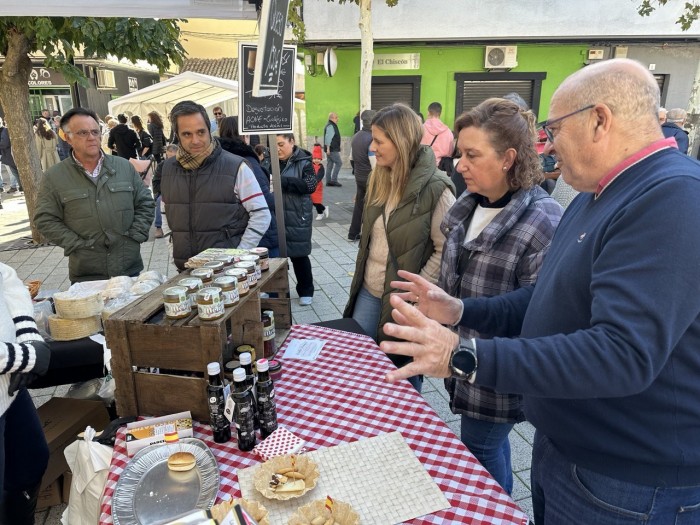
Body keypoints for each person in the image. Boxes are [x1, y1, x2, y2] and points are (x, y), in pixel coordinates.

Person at [380, 58, 700, 524]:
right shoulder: (598, 194)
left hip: (630, 481)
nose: (545, 145)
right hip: (572, 453)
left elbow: (622, 353)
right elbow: (548, 299)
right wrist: (461, 309)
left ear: (599, 120)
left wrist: (463, 356)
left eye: (553, 128)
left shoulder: (670, 198)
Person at [438, 97, 562, 494]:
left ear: (508, 158)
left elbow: (537, 310)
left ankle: (496, 511)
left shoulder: (542, 219)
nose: (460, 164)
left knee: (480, 447)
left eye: (472, 154)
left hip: (500, 370)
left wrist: (457, 310)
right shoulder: (470, 202)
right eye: (460, 153)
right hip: (465, 359)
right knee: (488, 444)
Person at [344, 103, 455, 391]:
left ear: (401, 140)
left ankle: (406, 430)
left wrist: (414, 291)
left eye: (380, 141)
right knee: (360, 365)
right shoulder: (378, 178)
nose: (373, 147)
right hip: (368, 291)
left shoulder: (437, 189)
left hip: (405, 301)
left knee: (403, 374)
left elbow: (447, 250)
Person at [34, 107, 155, 283]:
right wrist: (76, 244)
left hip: (128, 268)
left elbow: (145, 203)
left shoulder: (124, 167)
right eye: (82, 133)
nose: (91, 137)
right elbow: (44, 219)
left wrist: (135, 235)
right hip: (87, 274)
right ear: (67, 137)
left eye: (95, 132)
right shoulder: (54, 176)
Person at [160, 101, 271, 271]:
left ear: (209, 129)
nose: (195, 140)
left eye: (201, 132)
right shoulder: (168, 169)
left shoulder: (235, 166)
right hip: (186, 270)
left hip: (228, 272)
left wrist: (238, 256)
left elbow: (262, 214)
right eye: (187, 134)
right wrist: (174, 253)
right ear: (177, 135)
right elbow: (165, 214)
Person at [0, 262, 52, 524]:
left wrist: (28, 333)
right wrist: (21, 356)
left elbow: (4, 276)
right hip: (10, 368)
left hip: (7, 389)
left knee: (30, 463)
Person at [218, 116, 279, 256]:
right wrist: (277, 195)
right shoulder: (247, 162)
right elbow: (266, 202)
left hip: (232, 234)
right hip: (260, 237)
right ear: (245, 136)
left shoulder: (219, 161)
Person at [276, 133, 317, 305]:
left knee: (299, 255)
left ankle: (306, 290)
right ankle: (277, 290)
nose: (277, 149)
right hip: (276, 216)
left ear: (292, 142)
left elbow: (309, 186)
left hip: (298, 216)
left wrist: (281, 181)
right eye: (274, 145)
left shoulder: (304, 161)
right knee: (275, 257)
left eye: (281, 144)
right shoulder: (269, 162)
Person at [348, 109, 376, 241]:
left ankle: (353, 233)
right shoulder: (373, 138)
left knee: (359, 205)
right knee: (372, 207)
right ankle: (368, 235)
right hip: (371, 177)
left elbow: (351, 158)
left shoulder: (357, 136)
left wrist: (357, 172)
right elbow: (375, 164)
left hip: (359, 176)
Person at [151, 143, 178, 239]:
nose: (171, 159)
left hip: (178, 191)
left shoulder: (181, 165)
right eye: (169, 156)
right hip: (164, 192)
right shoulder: (161, 166)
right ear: (166, 155)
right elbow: (155, 183)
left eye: (173, 157)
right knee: (159, 201)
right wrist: (165, 191)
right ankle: (159, 227)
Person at [421, 102, 454, 166]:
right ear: (440, 113)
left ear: (428, 112)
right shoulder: (448, 132)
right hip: (441, 167)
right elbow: (450, 153)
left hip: (424, 166)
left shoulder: (420, 129)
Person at [0, 119, 21, 193]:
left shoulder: (5, 130)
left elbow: (5, 143)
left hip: (8, 155)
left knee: (13, 172)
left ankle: (16, 186)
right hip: (6, 155)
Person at [323, 112, 342, 187]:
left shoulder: (331, 125)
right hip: (332, 149)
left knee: (330, 164)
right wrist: (328, 149)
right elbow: (328, 138)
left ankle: (328, 181)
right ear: (332, 118)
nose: (338, 119)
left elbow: (334, 138)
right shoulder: (331, 126)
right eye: (336, 117)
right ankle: (334, 180)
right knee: (339, 163)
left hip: (331, 148)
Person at [310, 143, 327, 221]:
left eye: (318, 159)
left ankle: (320, 213)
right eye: (315, 158)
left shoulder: (321, 167)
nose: (316, 160)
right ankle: (324, 208)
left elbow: (320, 175)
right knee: (313, 201)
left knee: (316, 201)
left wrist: (315, 181)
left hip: (317, 186)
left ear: (321, 159)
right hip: (311, 185)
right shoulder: (310, 166)